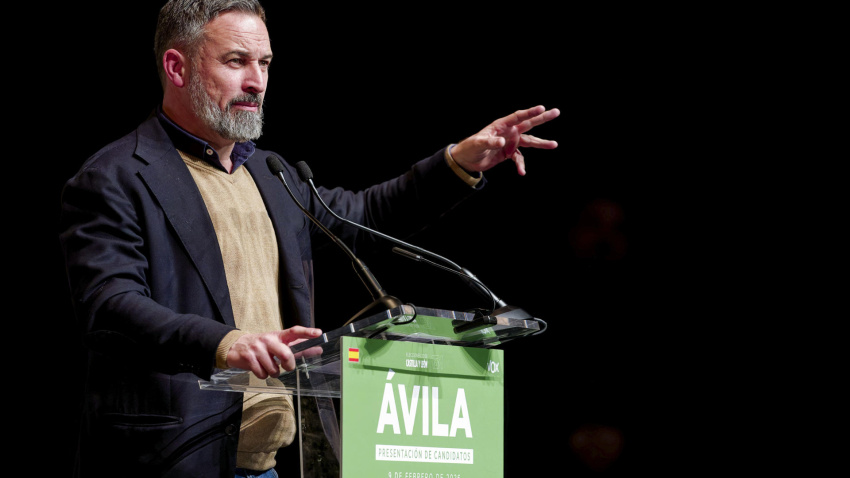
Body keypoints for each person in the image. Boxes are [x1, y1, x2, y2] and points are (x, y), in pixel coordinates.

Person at [58, 1, 560, 477]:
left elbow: (366, 217)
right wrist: (224, 343)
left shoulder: (272, 175)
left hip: (268, 464)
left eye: (265, 62)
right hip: (168, 462)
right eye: (236, 61)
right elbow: (111, 306)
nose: (257, 81)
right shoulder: (117, 176)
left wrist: (458, 163)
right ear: (176, 67)